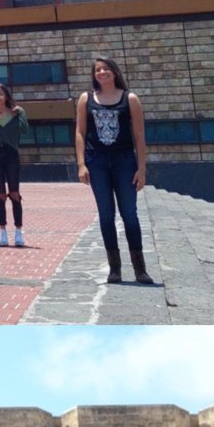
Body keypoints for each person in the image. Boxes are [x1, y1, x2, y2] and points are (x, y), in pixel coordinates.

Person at [74, 56, 154, 284]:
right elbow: (80, 132)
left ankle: (140, 269)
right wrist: (81, 164)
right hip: (96, 161)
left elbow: (139, 136)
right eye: (98, 70)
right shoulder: (85, 99)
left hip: (124, 161)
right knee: (106, 215)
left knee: (129, 214)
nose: (102, 73)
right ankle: (114, 268)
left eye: (106, 69)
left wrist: (141, 169)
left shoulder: (130, 99)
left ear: (115, 72)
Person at [0, 84, 31, 248]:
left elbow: (24, 130)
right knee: (0, 194)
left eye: (0, 94)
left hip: (11, 155)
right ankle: (2, 231)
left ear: (7, 96)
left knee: (14, 193)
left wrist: (20, 113)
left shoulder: (17, 112)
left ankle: (18, 231)